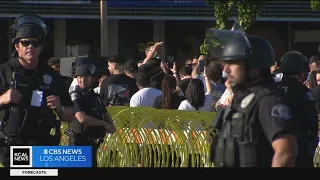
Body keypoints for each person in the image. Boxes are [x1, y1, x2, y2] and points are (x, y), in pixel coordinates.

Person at [209, 29, 298, 167]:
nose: (226, 70)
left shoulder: (267, 101)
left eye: (233, 63)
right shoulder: (243, 99)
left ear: (253, 67)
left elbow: (286, 151)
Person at [0, 14, 75, 167]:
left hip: (42, 147)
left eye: (35, 44)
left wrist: (60, 108)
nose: (30, 47)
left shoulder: (52, 76)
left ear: (41, 47)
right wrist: (3, 99)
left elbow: (71, 115)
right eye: (25, 43)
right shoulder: (3, 73)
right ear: (17, 46)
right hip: (10, 148)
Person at [67, 57, 116, 167]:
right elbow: (82, 118)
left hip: (93, 142)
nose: (83, 80)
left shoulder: (95, 97)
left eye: (86, 77)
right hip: (78, 143)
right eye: (79, 77)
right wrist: (104, 124)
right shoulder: (75, 96)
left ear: (92, 78)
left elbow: (105, 113)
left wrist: (111, 125)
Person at [275, 51, 319, 167]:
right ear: (301, 73)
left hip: (272, 148)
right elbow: (312, 123)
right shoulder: (303, 92)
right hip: (297, 149)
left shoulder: (270, 89)